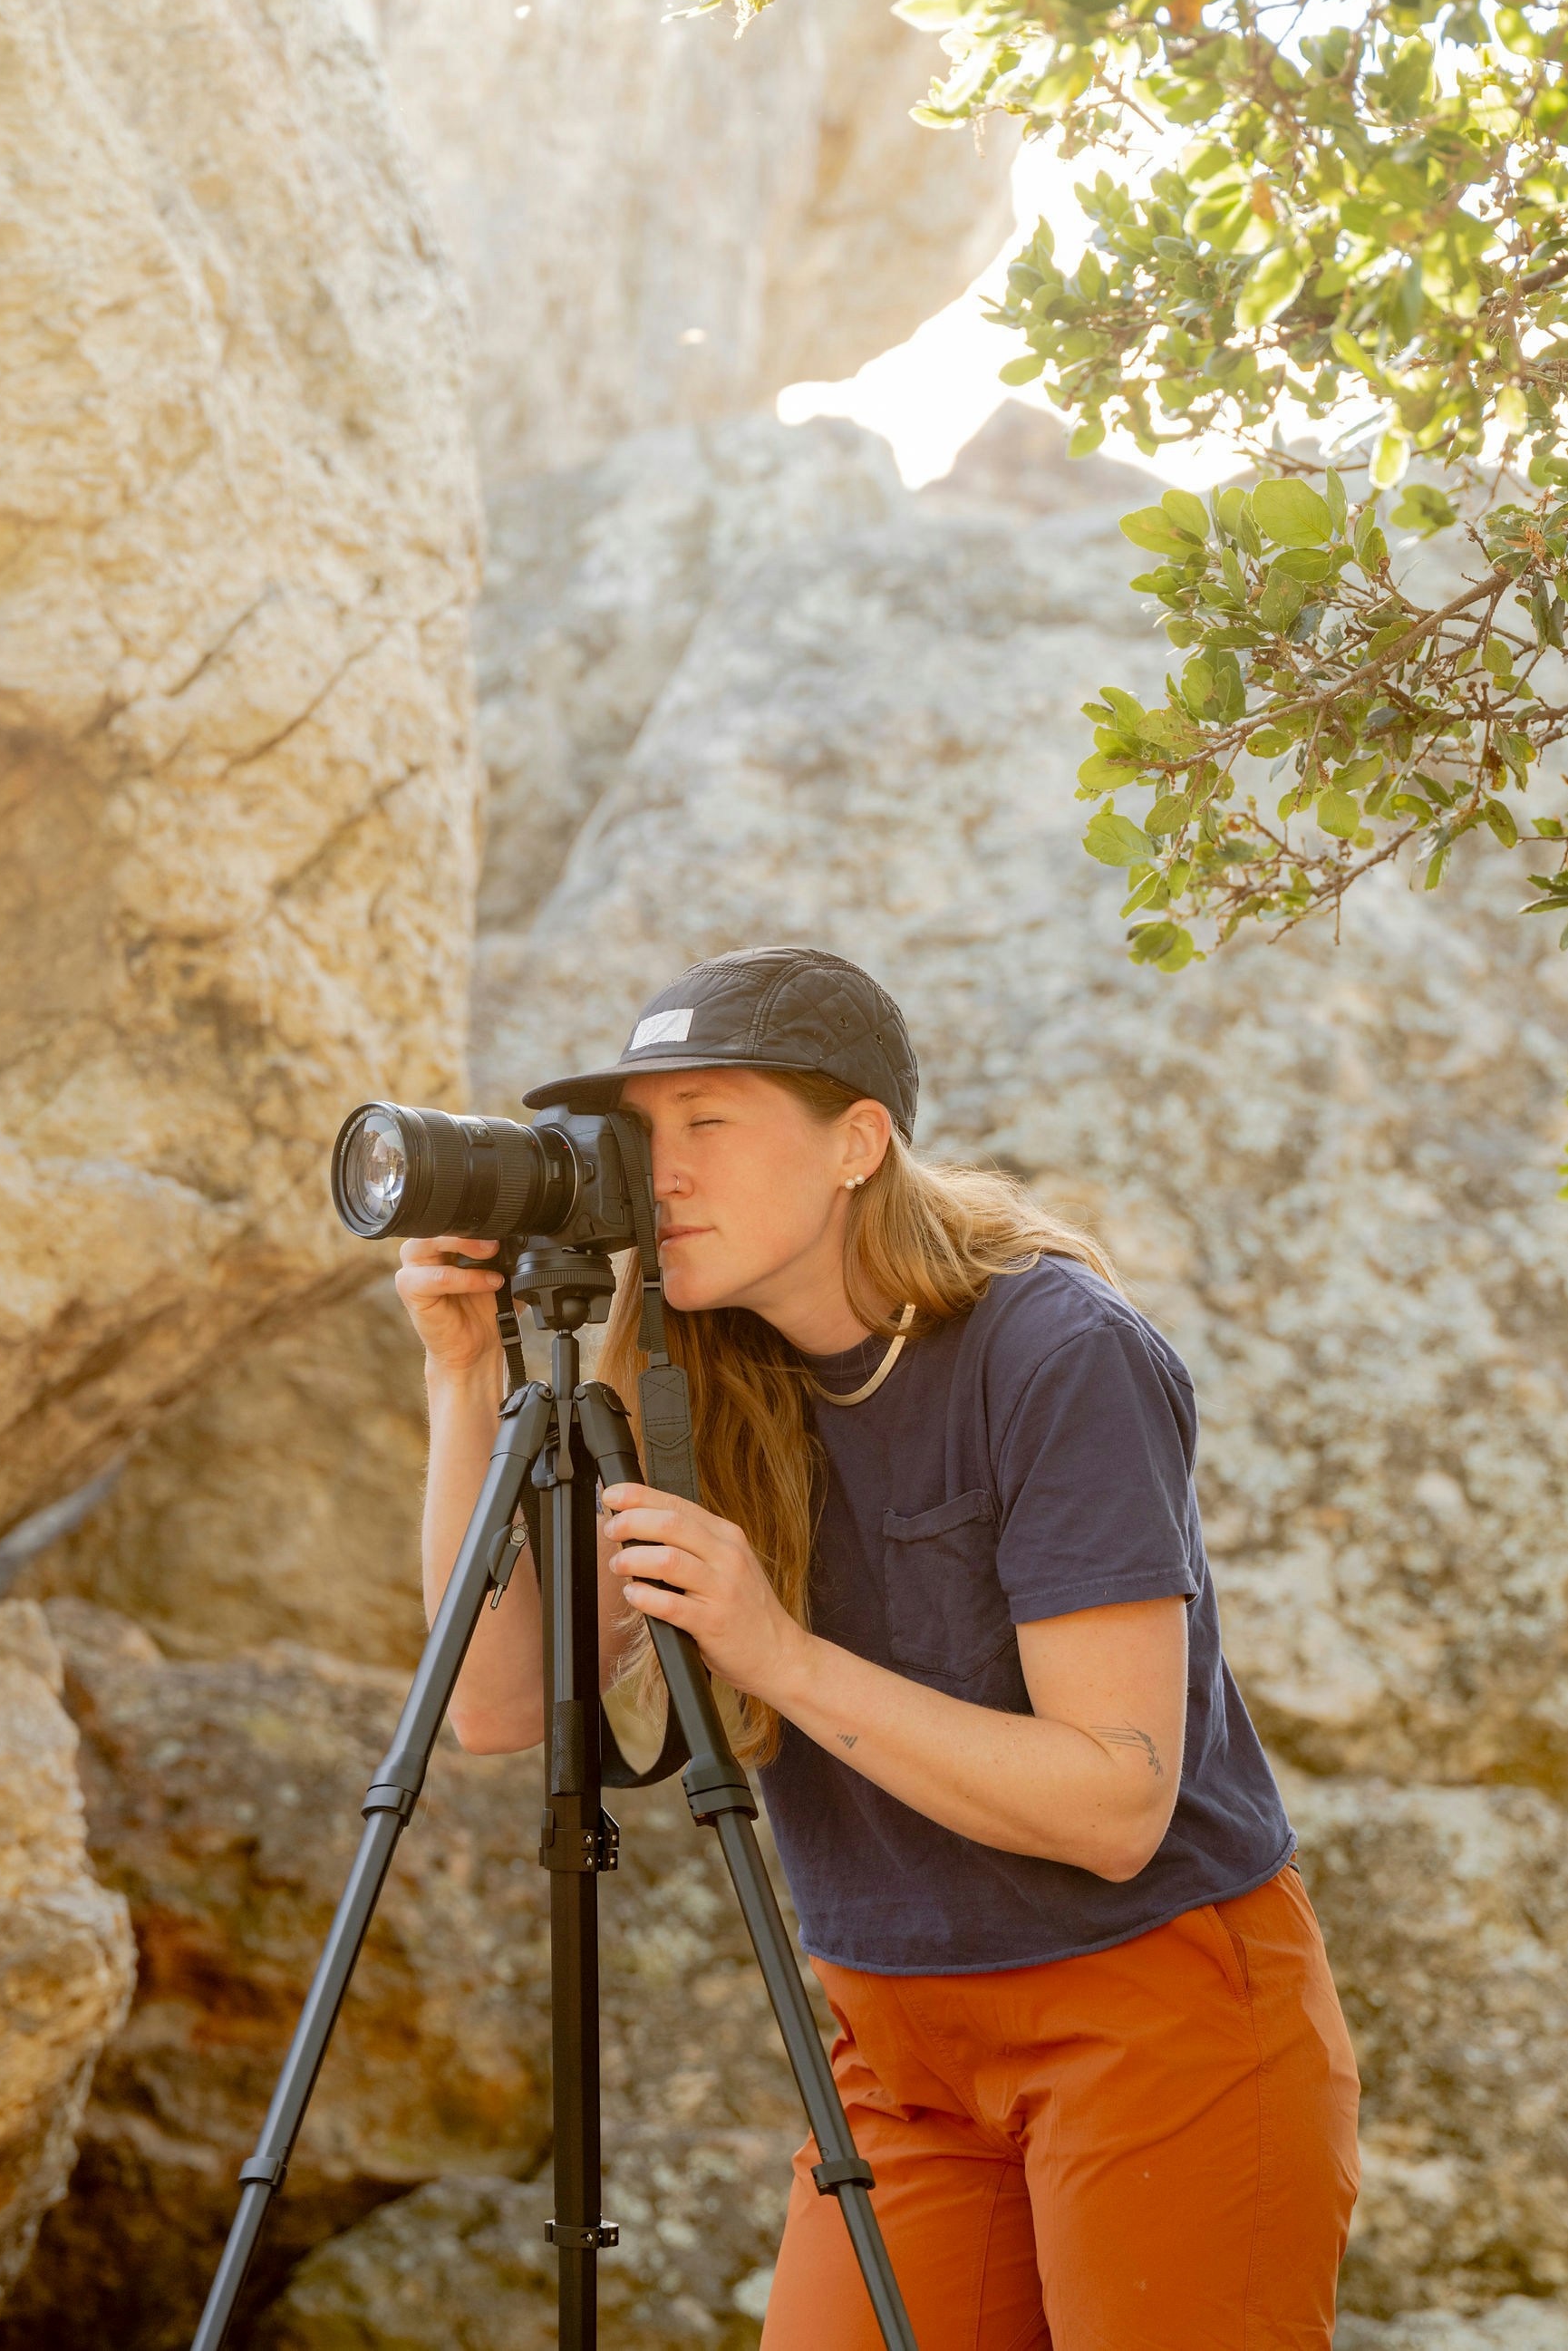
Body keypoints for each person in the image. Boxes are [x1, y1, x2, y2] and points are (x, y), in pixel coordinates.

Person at [393, 944, 1360, 2351]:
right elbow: (488, 1706)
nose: (660, 1172)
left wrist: (773, 1653)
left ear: (859, 1141)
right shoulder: (683, 1370)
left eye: (707, 1123)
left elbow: (1114, 1803)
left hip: (1156, 2014)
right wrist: (460, 1370)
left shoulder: (1053, 1351)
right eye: (640, 1133)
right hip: (895, 2047)